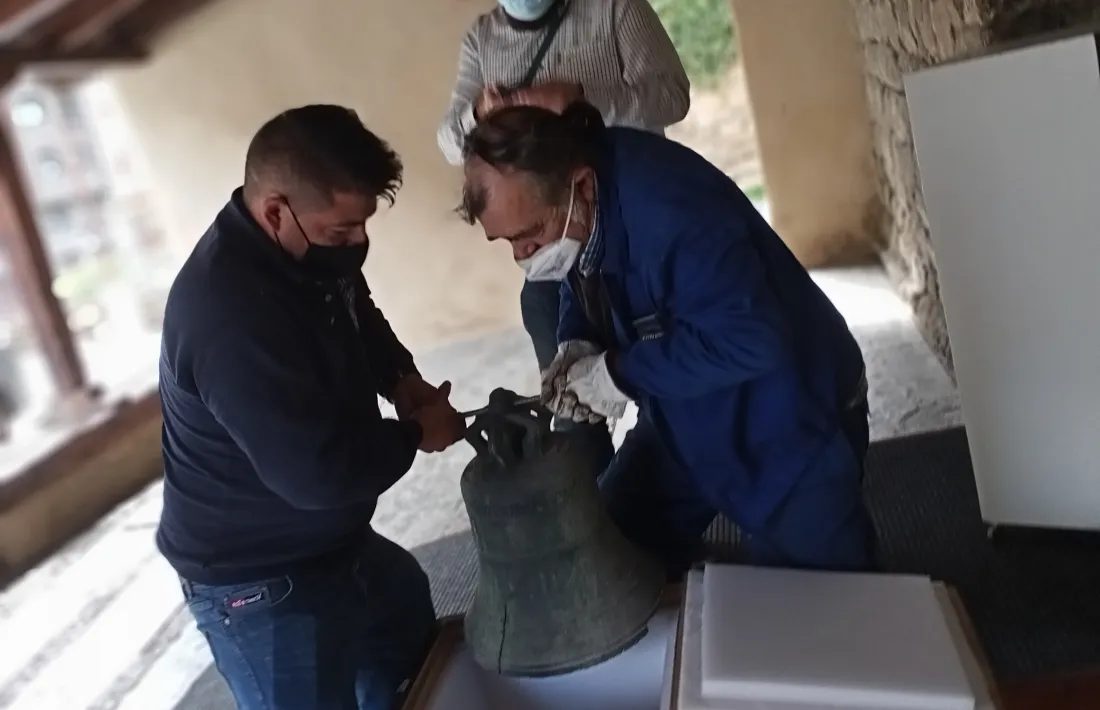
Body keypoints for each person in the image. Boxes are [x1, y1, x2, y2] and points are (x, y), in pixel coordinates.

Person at [457, 103, 875, 579]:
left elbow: (752, 340)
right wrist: (576, 342)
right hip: (684, 412)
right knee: (607, 554)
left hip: (786, 416)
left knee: (832, 613)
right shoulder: (576, 207)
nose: (523, 257)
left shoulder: (673, 211)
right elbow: (583, 272)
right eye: (507, 243)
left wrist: (618, 375)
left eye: (530, 237)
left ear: (583, 186)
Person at [157, 105, 466, 710]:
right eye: (340, 234)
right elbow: (318, 474)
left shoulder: (307, 255)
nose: (357, 248)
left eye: (363, 229)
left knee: (407, 628)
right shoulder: (230, 316)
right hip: (256, 576)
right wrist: (414, 434)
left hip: (332, 543)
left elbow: (357, 308)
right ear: (276, 211)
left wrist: (401, 378)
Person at [437, 0, 691, 469]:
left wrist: (579, 97)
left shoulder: (615, 10)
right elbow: (451, 140)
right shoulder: (483, 38)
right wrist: (481, 111)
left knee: (672, 370)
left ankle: (680, 458)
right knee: (573, 403)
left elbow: (672, 95)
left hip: (626, 221)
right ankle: (597, 503)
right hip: (558, 241)